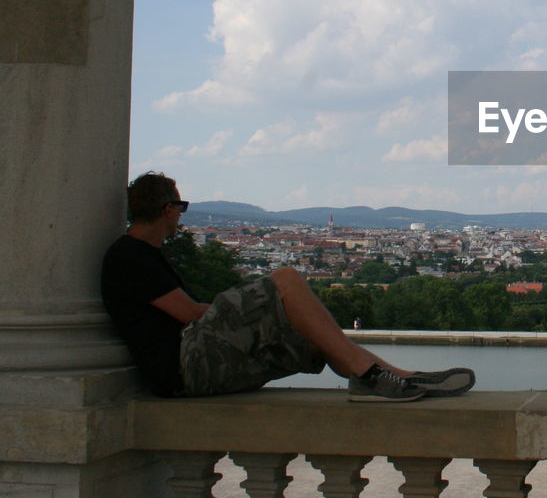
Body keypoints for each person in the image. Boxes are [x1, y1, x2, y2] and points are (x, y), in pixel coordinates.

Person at [100, 172, 475, 402]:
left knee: (316, 334)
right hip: (185, 368)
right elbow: (188, 315)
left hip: (186, 370)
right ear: (168, 209)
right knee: (286, 280)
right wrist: (255, 310)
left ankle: (389, 375)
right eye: (180, 206)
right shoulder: (131, 255)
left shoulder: (137, 254)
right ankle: (375, 377)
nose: (181, 215)